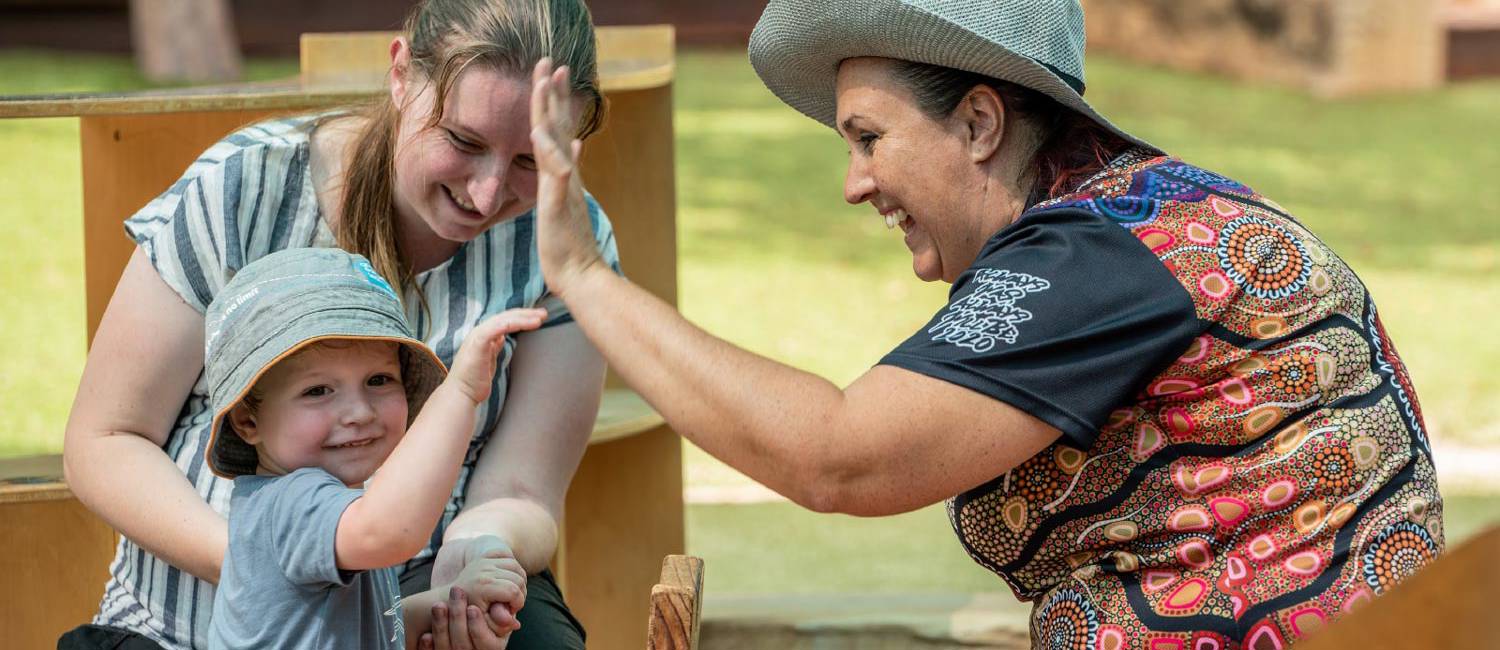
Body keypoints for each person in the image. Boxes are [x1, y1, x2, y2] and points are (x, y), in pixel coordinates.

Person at [524, 0, 1445, 647]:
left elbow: (839, 458)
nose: (853, 185)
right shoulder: (1127, 222)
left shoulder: (1097, 257)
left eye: (868, 139)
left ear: (976, 124)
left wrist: (584, 276)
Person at [60, 1, 617, 648]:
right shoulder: (245, 187)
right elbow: (105, 440)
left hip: (412, 598)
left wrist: (478, 551)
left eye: (532, 162)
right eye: (464, 142)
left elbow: (524, 486)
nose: (489, 195)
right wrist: (267, 567)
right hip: (189, 619)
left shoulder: (568, 238)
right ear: (402, 75)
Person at [200, 248, 542, 649]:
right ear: (248, 421)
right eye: (318, 391)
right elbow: (393, 531)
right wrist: (461, 392)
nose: (359, 412)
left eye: (379, 380)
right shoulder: (292, 504)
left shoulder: (339, 509)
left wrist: (454, 603)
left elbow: (378, 628)